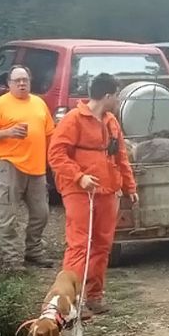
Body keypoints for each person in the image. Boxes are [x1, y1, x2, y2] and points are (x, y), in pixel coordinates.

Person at [47, 73, 138, 319]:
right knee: (79, 245)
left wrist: (130, 187)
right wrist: (79, 177)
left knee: (102, 245)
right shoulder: (73, 120)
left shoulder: (111, 122)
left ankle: (94, 297)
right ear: (107, 95)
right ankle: (70, 303)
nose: (118, 100)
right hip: (79, 192)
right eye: (117, 95)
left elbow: (121, 157)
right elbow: (55, 155)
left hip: (108, 191)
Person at [0, 64, 56, 270]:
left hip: (37, 167)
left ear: (30, 82)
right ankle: (12, 260)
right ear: (9, 83)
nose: (22, 84)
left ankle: (33, 251)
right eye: (17, 80)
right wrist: (8, 132)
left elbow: (50, 133)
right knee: (9, 214)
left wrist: (52, 160)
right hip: (10, 164)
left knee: (42, 213)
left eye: (25, 80)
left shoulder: (39, 103)